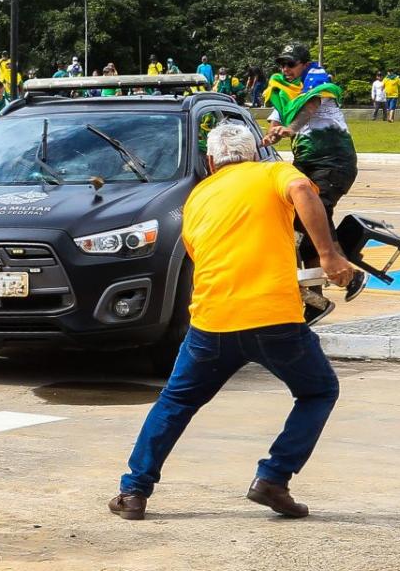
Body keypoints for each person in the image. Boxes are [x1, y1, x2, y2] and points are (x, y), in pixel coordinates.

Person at [108, 125, 349, 522]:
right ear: (253, 153)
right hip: (273, 319)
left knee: (176, 402)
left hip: (212, 321)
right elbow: (305, 192)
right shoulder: (272, 173)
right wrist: (328, 255)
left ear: (210, 162)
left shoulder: (197, 197)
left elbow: (205, 255)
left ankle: (133, 491)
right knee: (318, 391)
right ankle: (273, 477)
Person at [262, 42, 363, 319]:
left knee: (313, 211)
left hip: (333, 162)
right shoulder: (283, 89)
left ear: (304, 64)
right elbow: (277, 117)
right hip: (306, 164)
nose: (285, 69)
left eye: (291, 64)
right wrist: (272, 134)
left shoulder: (319, 82)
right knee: (302, 223)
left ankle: (350, 274)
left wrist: (290, 129)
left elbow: (308, 107)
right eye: (282, 64)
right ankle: (316, 301)